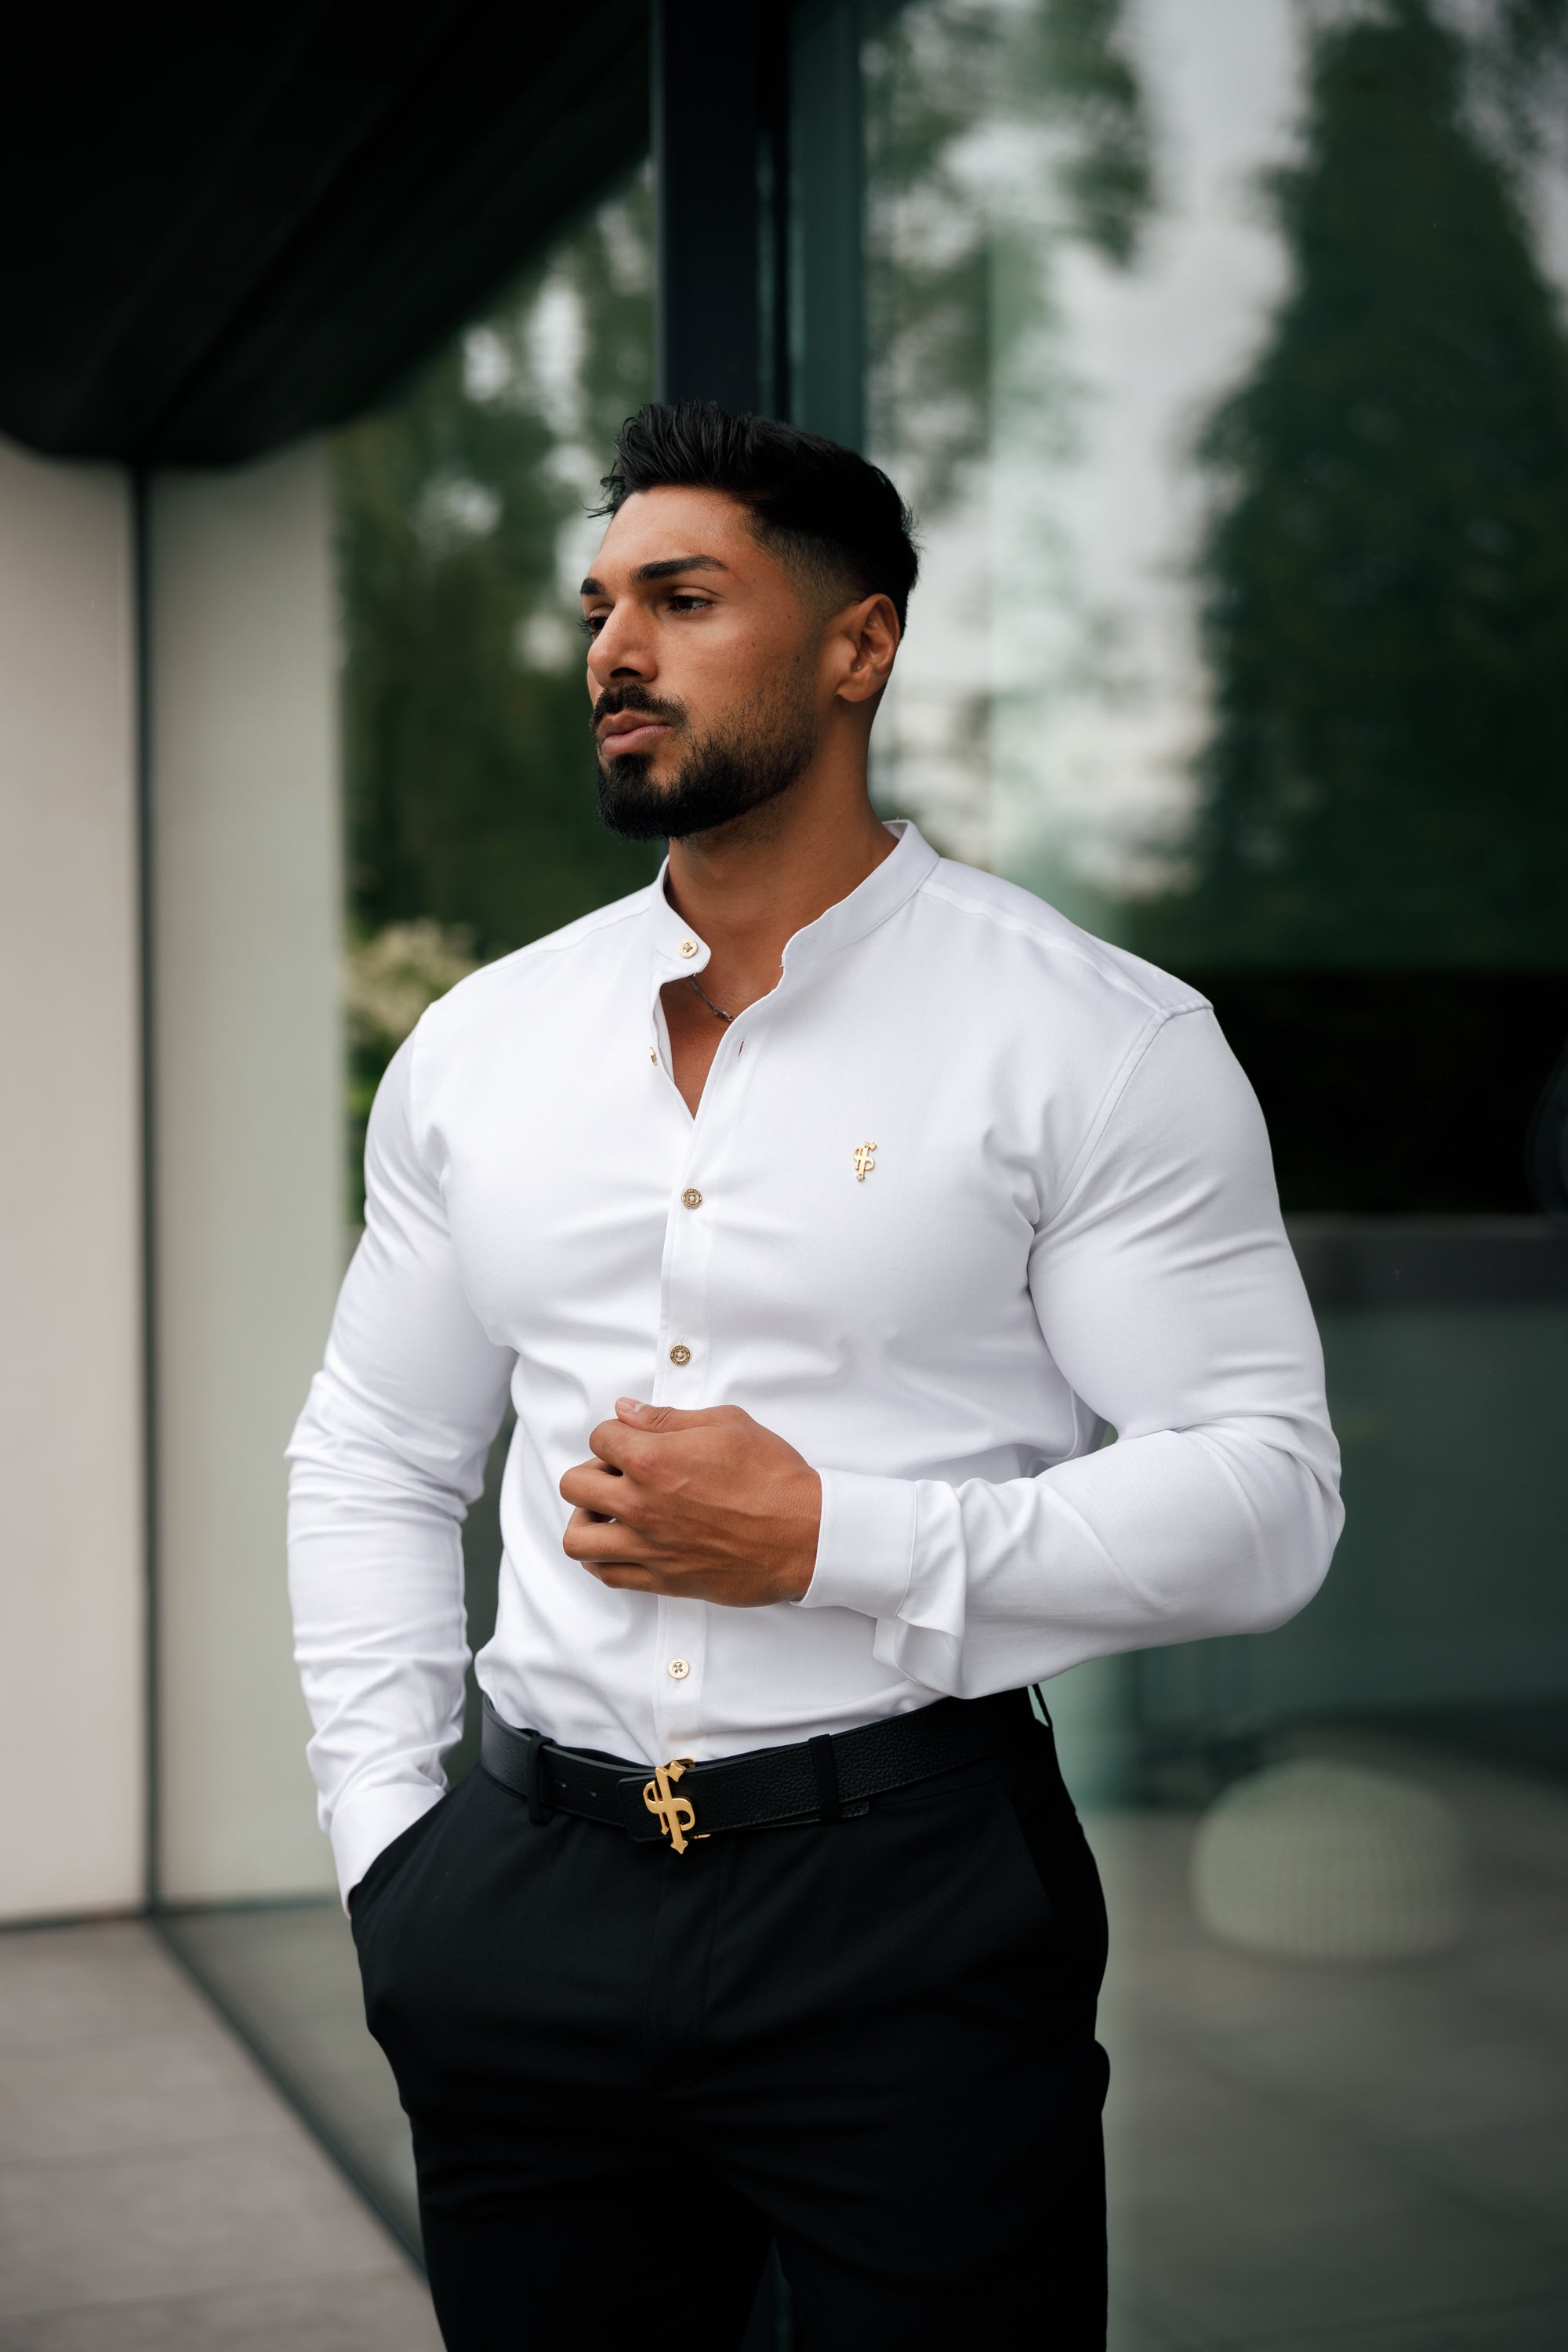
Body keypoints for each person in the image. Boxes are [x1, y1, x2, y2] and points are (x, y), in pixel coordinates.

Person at [288, 401, 1341, 2350]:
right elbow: (370, 1450)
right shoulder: (484, 1044)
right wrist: (391, 1852)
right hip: (518, 1894)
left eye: (683, 599)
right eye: (600, 606)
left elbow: (1264, 1497)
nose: (614, 650)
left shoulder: (1092, 1041)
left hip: (910, 1910)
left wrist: (831, 1540)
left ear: (860, 645)